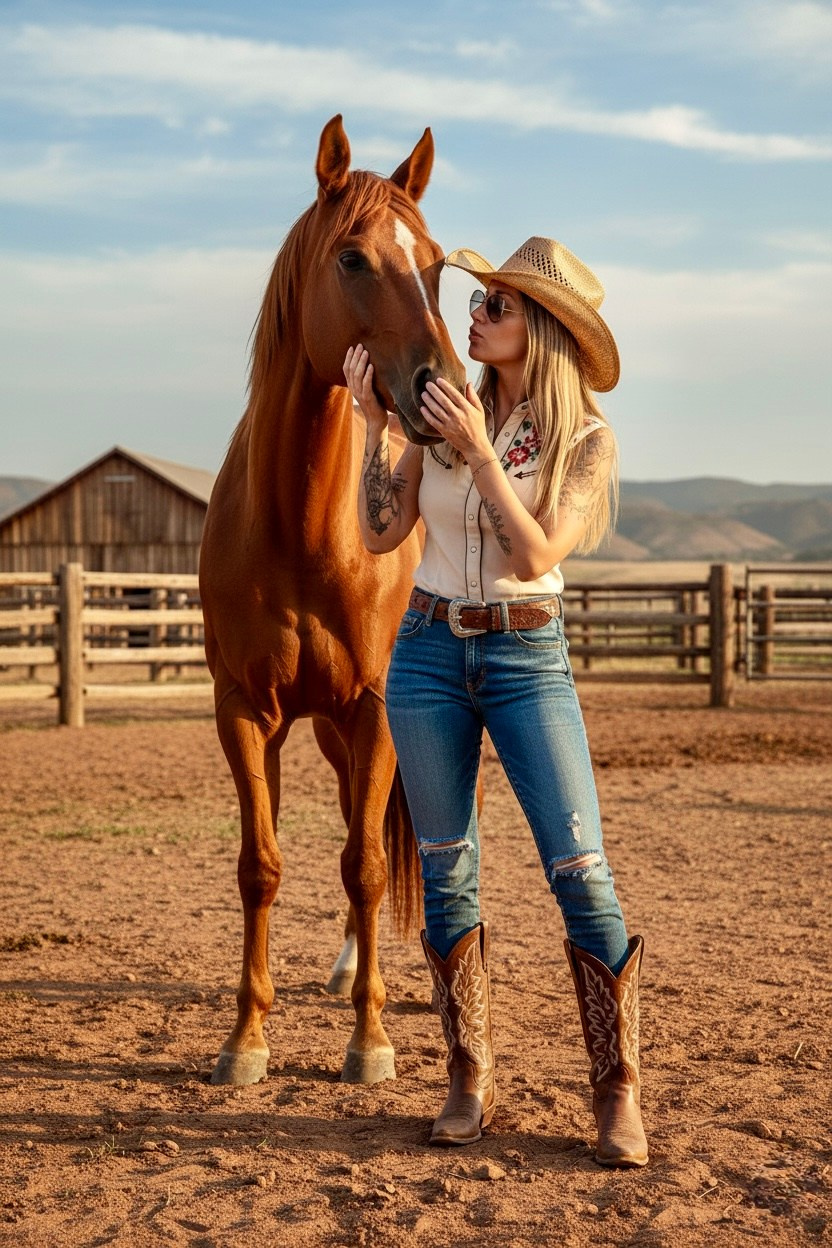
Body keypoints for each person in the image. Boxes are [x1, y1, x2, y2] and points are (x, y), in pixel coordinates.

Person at [343, 236, 647, 1168]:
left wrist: (477, 453)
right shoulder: (444, 412)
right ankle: (468, 1076)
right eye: (478, 303)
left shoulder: (584, 440)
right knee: (446, 869)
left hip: (526, 658)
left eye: (495, 309)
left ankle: (617, 1093)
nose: (471, 316)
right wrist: (377, 429)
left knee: (580, 871)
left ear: (540, 331)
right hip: (428, 652)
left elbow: (534, 556)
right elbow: (381, 527)